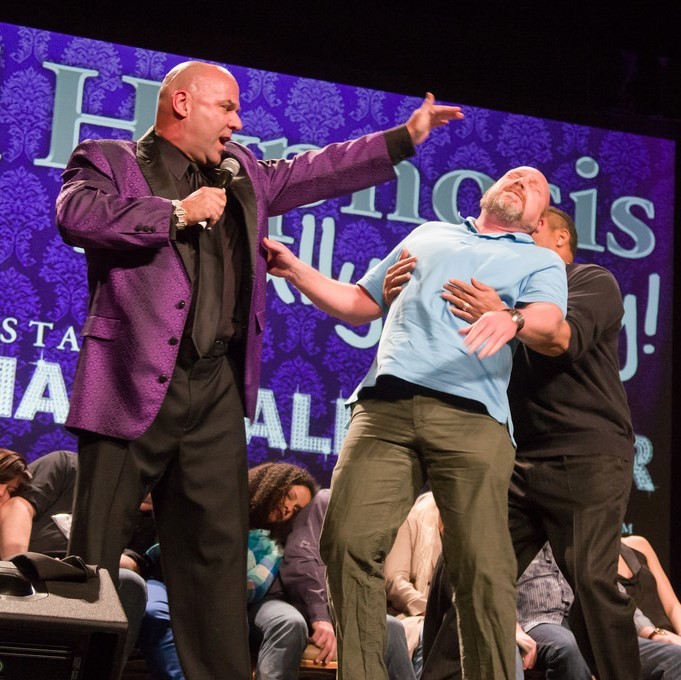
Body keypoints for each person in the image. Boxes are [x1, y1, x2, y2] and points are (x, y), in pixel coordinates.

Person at [55, 57, 463, 680]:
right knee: (95, 560)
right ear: (183, 103)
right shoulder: (111, 159)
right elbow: (77, 216)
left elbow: (316, 170)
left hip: (215, 388)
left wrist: (403, 138)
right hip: (130, 382)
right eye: (227, 108)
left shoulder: (242, 170)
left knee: (215, 564)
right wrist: (177, 213)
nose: (238, 122)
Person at [264, 165, 568, 679]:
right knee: (347, 544)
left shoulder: (538, 261)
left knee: (481, 568)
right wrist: (295, 268)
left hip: (471, 418)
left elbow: (551, 325)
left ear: (540, 220)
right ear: (488, 192)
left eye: (535, 185)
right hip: (386, 408)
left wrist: (511, 317)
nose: (521, 181)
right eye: (514, 175)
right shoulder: (429, 234)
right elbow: (361, 302)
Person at [432, 205, 639, 679]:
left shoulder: (588, 280)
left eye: (533, 226)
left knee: (591, 579)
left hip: (586, 454)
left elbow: (561, 338)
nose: (520, 234)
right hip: (519, 459)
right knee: (463, 572)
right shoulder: (507, 291)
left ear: (559, 236)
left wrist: (508, 317)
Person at [0, 449, 148, 665]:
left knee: (130, 582)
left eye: (11, 489)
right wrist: (21, 568)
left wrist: (77, 566)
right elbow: (19, 507)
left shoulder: (155, 521)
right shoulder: (65, 466)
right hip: (29, 571)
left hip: (84, 576)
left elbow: (134, 562)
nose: (3, 493)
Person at [278, 486, 417, 680]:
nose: (288, 508)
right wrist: (321, 618)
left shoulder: (372, 524)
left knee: (392, 627)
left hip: (331, 605)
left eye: (296, 507)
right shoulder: (326, 501)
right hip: (296, 603)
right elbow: (303, 560)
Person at [384, 491, 442, 675]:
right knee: (430, 634)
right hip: (410, 615)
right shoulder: (410, 522)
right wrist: (430, 610)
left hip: (450, 619)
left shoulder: (470, 536)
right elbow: (395, 581)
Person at [618, 535, 681, 679]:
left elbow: (672, 606)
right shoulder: (590, 559)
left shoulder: (639, 545)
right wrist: (659, 636)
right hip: (637, 644)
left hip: (670, 638)